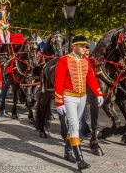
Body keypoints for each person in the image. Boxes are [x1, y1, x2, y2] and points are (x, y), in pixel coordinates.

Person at [54, 35, 104, 170]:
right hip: (69, 97)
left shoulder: (86, 61)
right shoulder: (64, 60)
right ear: (74, 46)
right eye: (81, 46)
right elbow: (58, 81)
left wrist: (98, 93)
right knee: (75, 125)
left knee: (74, 126)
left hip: (82, 97)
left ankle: (67, 151)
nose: (84, 48)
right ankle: (80, 160)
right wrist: (59, 101)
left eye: (85, 46)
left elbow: (91, 78)